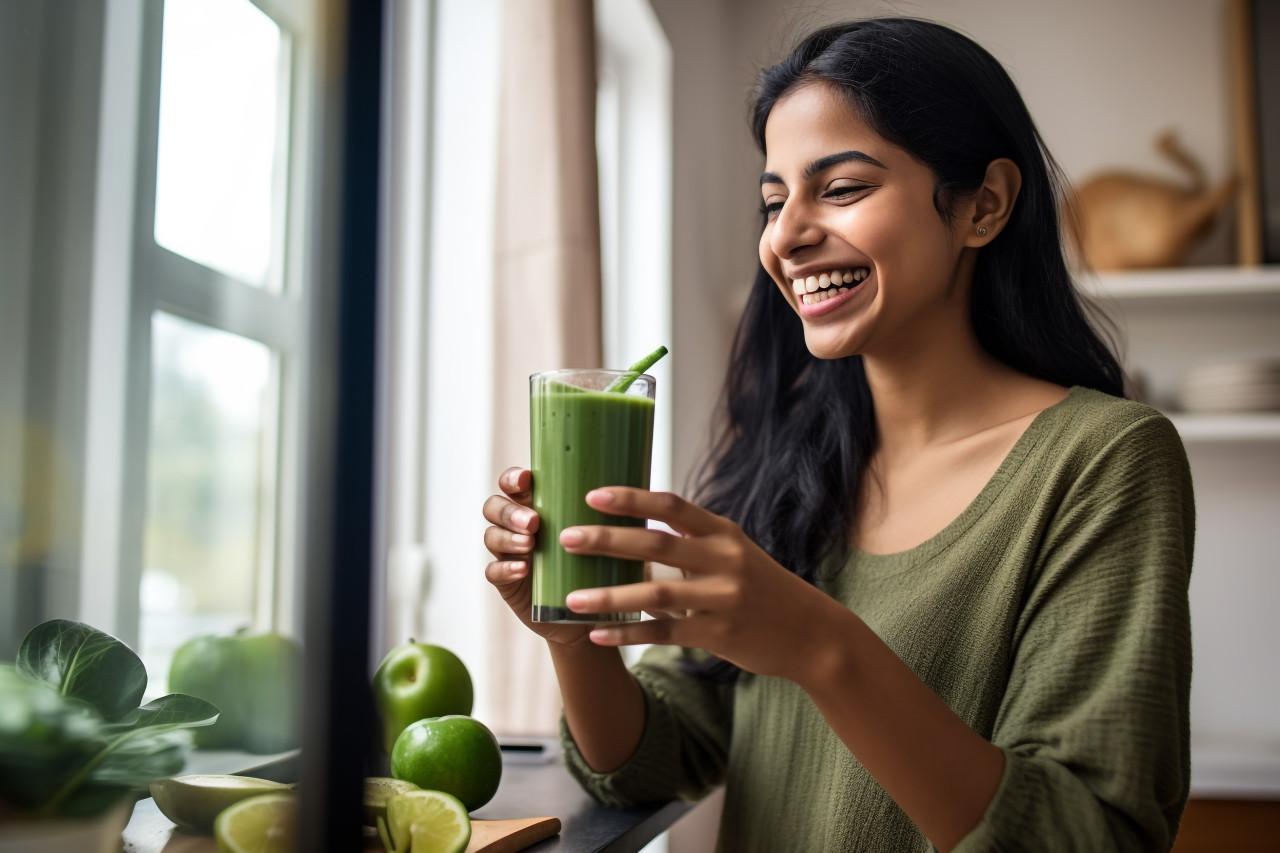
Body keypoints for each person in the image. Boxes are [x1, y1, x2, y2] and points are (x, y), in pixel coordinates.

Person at [482, 17, 1194, 853]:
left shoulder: (1104, 461)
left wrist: (822, 645)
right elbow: (647, 767)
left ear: (984, 206)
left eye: (843, 187)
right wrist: (575, 641)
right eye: (774, 201)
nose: (784, 237)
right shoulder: (784, 467)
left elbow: (1083, 834)